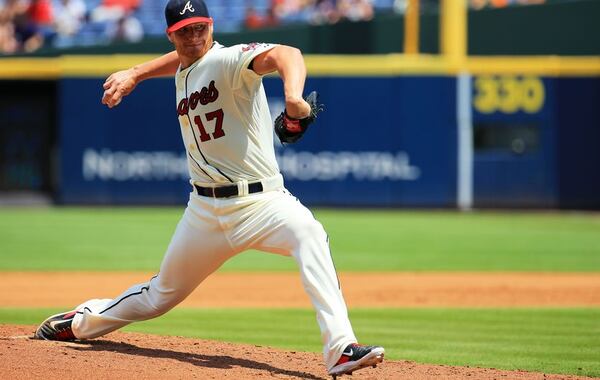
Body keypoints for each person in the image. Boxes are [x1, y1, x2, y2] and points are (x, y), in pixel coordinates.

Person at [33, 0, 385, 377]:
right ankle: (82, 321)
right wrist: (135, 73)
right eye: (184, 30)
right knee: (158, 297)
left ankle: (339, 348)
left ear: (212, 26)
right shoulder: (187, 66)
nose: (194, 36)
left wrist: (295, 97)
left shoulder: (230, 59)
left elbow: (288, 53)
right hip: (204, 211)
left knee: (310, 234)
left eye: (200, 27)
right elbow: (182, 61)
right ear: (171, 35)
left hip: (262, 203)